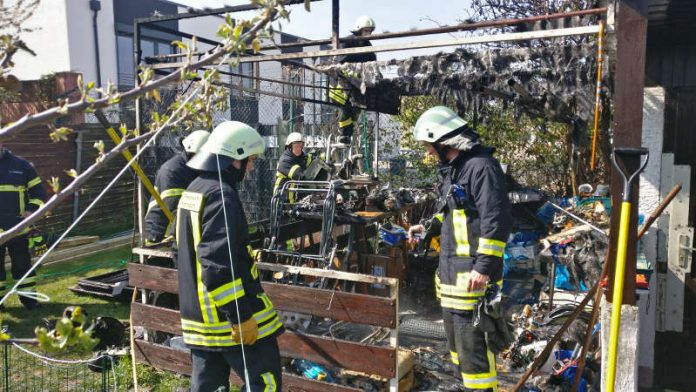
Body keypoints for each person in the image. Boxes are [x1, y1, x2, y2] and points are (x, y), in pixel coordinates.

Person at [407, 106, 511, 392]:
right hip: (453, 276)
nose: (428, 153)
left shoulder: (482, 167)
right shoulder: (456, 171)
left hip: (472, 275)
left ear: (442, 142)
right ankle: (463, 387)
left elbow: (496, 219)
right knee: (456, 345)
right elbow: (451, 213)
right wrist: (426, 228)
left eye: (429, 146)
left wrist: (484, 266)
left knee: (474, 346)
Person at [176, 121, 284, 392]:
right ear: (234, 159)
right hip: (229, 321)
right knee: (265, 383)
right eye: (250, 160)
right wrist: (240, 316)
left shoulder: (194, 190)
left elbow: (183, 252)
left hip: (200, 322)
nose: (251, 167)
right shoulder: (222, 195)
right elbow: (217, 264)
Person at [0, 142, 47, 309]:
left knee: (23, 267)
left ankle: (29, 300)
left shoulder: (21, 165)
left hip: (19, 229)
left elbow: (39, 191)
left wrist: (31, 210)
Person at [144, 130, 209, 244]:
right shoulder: (172, 171)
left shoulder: (196, 168)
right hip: (161, 235)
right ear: (194, 153)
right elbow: (175, 208)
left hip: (181, 232)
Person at [328, 15, 377, 145]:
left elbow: (373, 63)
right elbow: (340, 65)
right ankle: (343, 135)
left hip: (355, 85)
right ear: (358, 29)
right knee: (345, 109)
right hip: (340, 84)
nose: (368, 34)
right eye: (365, 31)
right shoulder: (347, 42)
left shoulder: (368, 46)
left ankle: (347, 136)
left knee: (356, 110)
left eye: (369, 31)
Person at [273, 132, 312, 203]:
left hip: (296, 201)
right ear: (290, 147)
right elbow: (299, 176)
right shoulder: (285, 161)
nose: (299, 149)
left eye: (301, 146)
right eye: (296, 146)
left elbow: (311, 159)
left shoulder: (303, 158)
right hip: (283, 201)